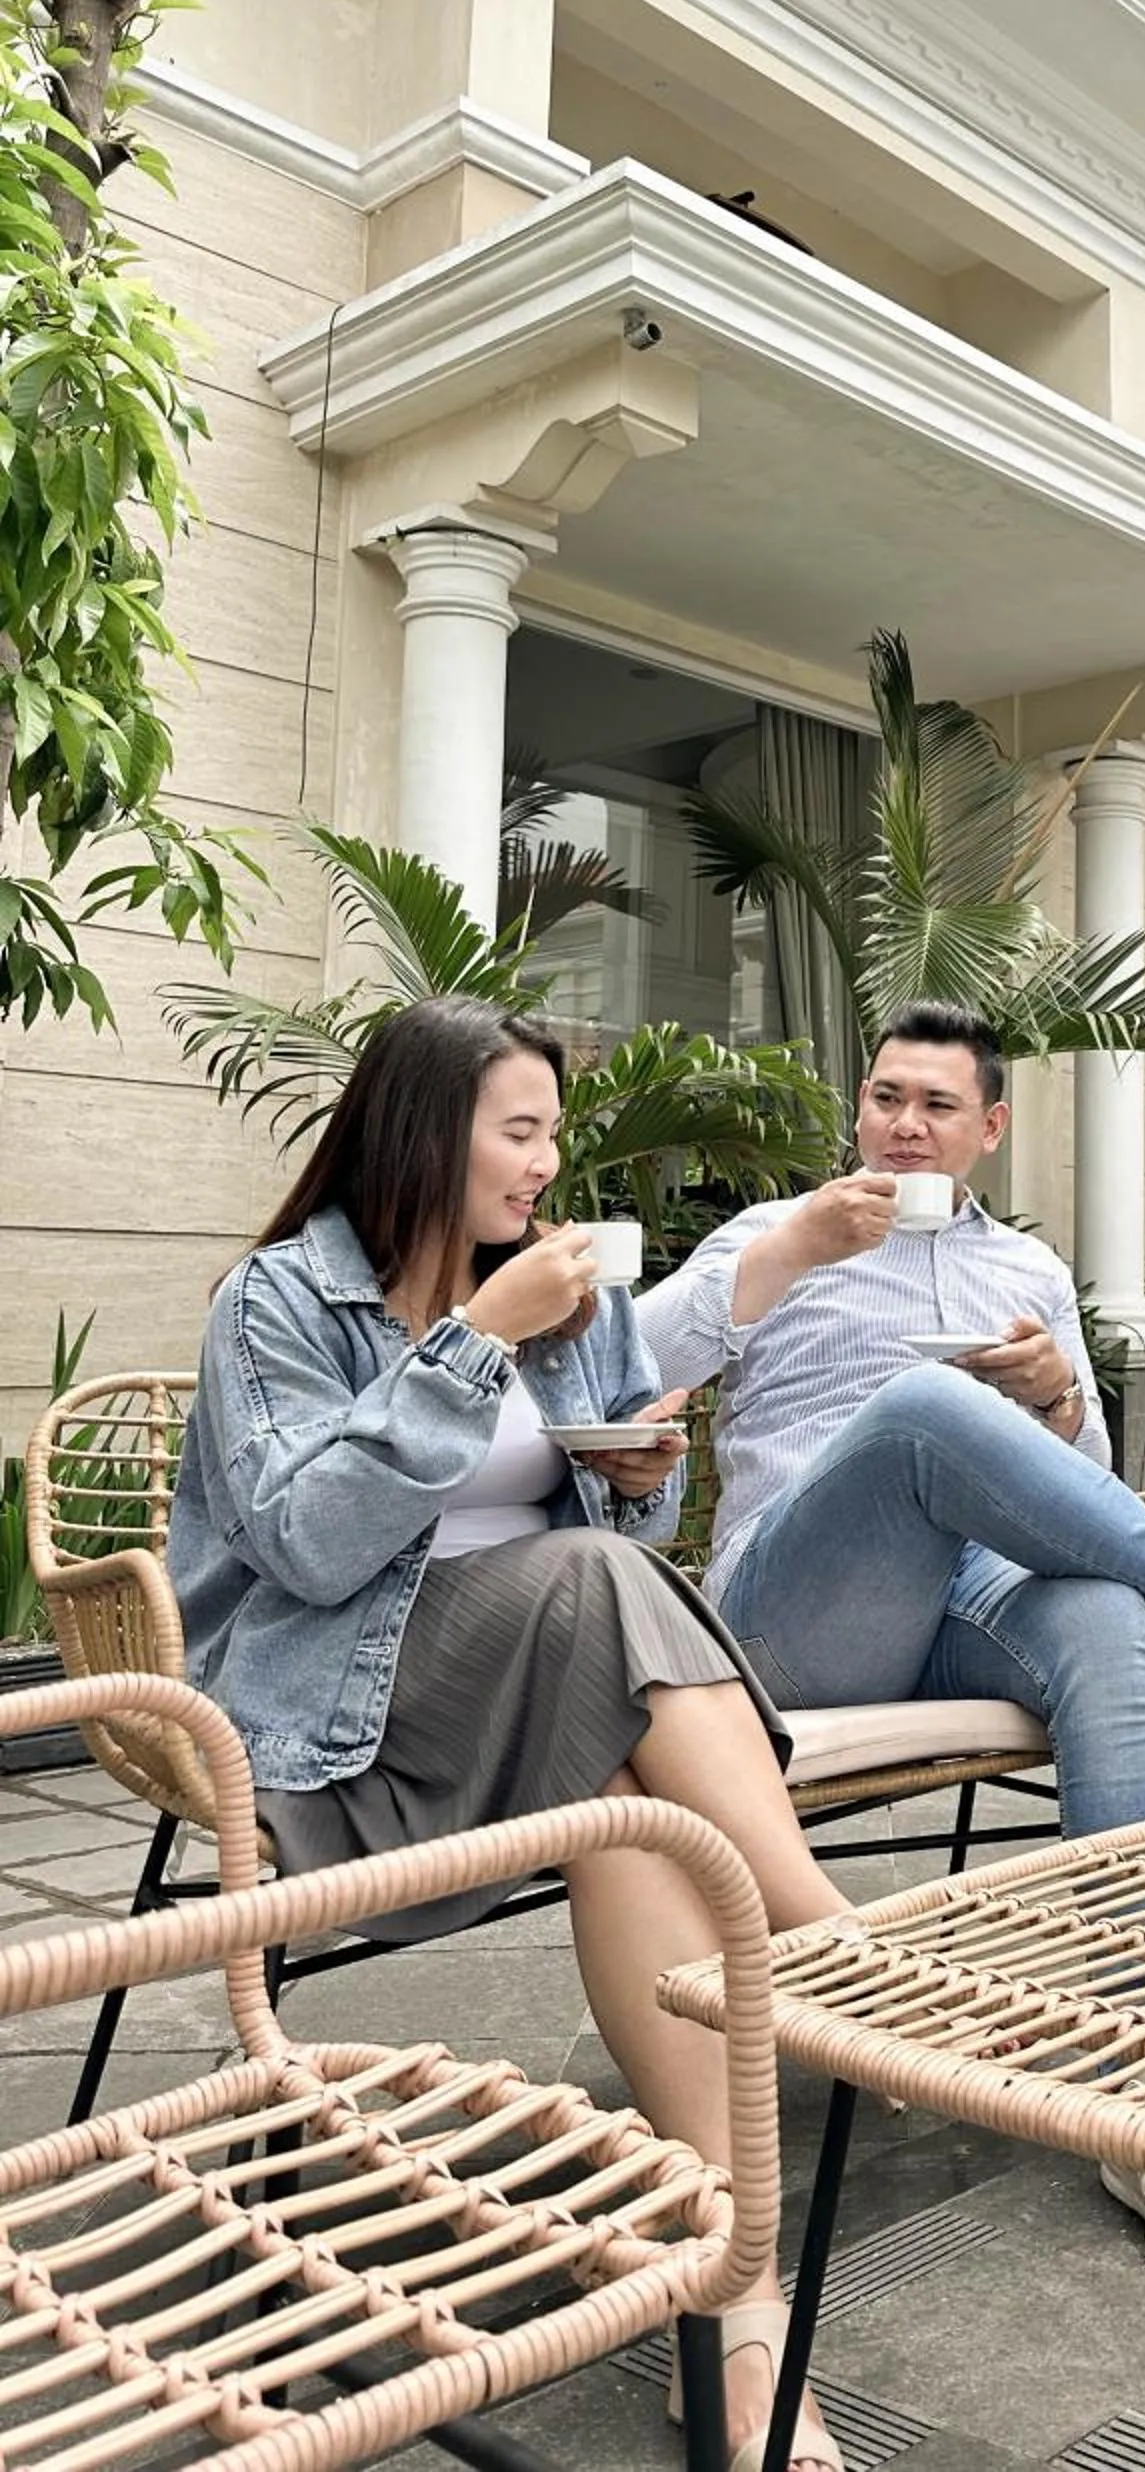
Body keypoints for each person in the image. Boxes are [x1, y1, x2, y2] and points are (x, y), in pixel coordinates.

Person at [639, 996, 1145, 2279]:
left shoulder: (1031, 1273)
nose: (905, 1124)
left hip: (974, 1606)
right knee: (917, 1408)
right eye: (887, 1096)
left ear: (989, 1129)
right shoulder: (766, 1236)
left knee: (1105, 1605)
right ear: (861, 1106)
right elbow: (633, 1362)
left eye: (937, 1105)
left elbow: (1090, 1486)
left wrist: (1059, 1395)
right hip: (798, 1620)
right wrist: (790, 1249)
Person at [169, 995, 855, 2472]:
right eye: (522, 1131)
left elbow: (616, 1514)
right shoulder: (280, 1303)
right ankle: (832, 1950)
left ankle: (734, 2306)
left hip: (523, 1692)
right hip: (319, 1724)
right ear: (427, 1131)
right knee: (601, 1591)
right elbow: (301, 1548)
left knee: (628, 1802)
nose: (549, 1163)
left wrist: (639, 1465)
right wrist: (477, 1342)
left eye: (555, 1132)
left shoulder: (561, 1301)